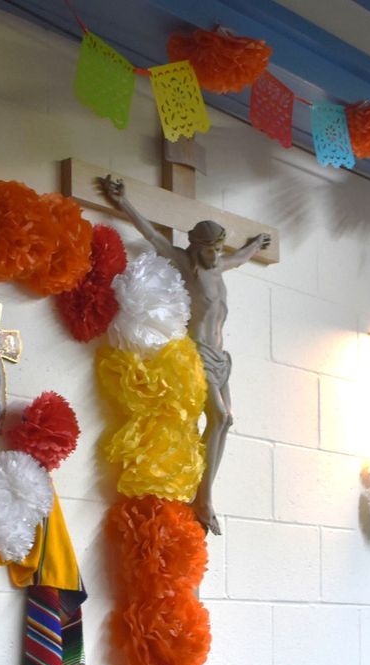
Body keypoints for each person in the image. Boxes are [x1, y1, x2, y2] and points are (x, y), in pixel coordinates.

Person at [98, 174, 271, 534]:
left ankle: (203, 494)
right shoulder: (184, 264)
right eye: (210, 250)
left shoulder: (219, 266)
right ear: (195, 247)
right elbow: (153, 236)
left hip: (221, 358)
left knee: (226, 421)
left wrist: (255, 244)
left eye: (219, 249)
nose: (216, 256)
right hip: (197, 355)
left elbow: (239, 258)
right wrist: (124, 202)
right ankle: (204, 499)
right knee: (219, 416)